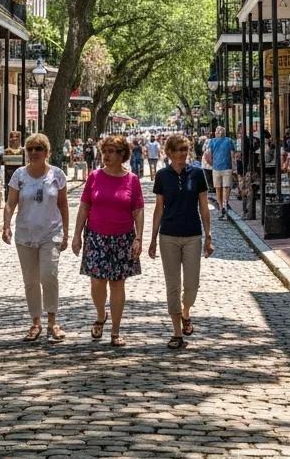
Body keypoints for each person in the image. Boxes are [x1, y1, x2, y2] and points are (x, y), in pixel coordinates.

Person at [71, 134, 144, 347]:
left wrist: (138, 237)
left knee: (117, 283)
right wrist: (76, 235)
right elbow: (84, 206)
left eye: (112, 151)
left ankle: (115, 330)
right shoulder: (94, 176)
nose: (107, 155)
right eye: (105, 151)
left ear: (122, 155)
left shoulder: (132, 180)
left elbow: (138, 210)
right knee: (96, 282)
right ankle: (101, 314)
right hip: (95, 236)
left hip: (123, 238)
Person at [2, 134, 69, 343]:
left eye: (38, 149)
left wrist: (67, 232)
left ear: (47, 152)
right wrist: (6, 225)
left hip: (51, 232)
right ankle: (35, 322)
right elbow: (10, 203)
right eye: (30, 149)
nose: (33, 153)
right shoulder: (19, 175)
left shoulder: (57, 175)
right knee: (30, 281)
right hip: (25, 234)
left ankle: (52, 322)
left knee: (49, 275)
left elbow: (63, 205)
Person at [149, 134, 213, 349]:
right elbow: (159, 208)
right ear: (169, 153)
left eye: (184, 150)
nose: (181, 155)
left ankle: (186, 311)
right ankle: (176, 332)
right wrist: (152, 238)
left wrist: (209, 235)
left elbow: (204, 207)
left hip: (193, 234)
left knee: (192, 285)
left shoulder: (197, 174)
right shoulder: (162, 176)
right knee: (173, 285)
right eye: (177, 151)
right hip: (168, 235)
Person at [206, 125, 237, 220]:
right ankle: (223, 206)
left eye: (218, 131)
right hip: (225, 167)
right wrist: (234, 166)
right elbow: (232, 155)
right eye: (217, 130)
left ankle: (222, 207)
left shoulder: (213, 141)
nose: (217, 132)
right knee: (224, 187)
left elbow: (208, 155)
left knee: (219, 188)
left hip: (219, 168)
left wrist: (213, 164)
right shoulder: (228, 141)